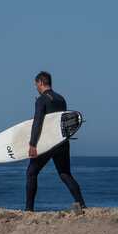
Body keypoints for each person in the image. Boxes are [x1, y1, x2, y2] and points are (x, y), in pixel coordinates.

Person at [25, 71, 84, 213]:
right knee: (65, 174)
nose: (36, 88)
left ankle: (29, 209)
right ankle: (82, 204)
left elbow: (38, 122)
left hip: (48, 143)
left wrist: (33, 144)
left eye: (36, 85)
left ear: (40, 82)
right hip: (62, 142)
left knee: (31, 173)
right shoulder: (61, 99)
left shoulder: (41, 100)